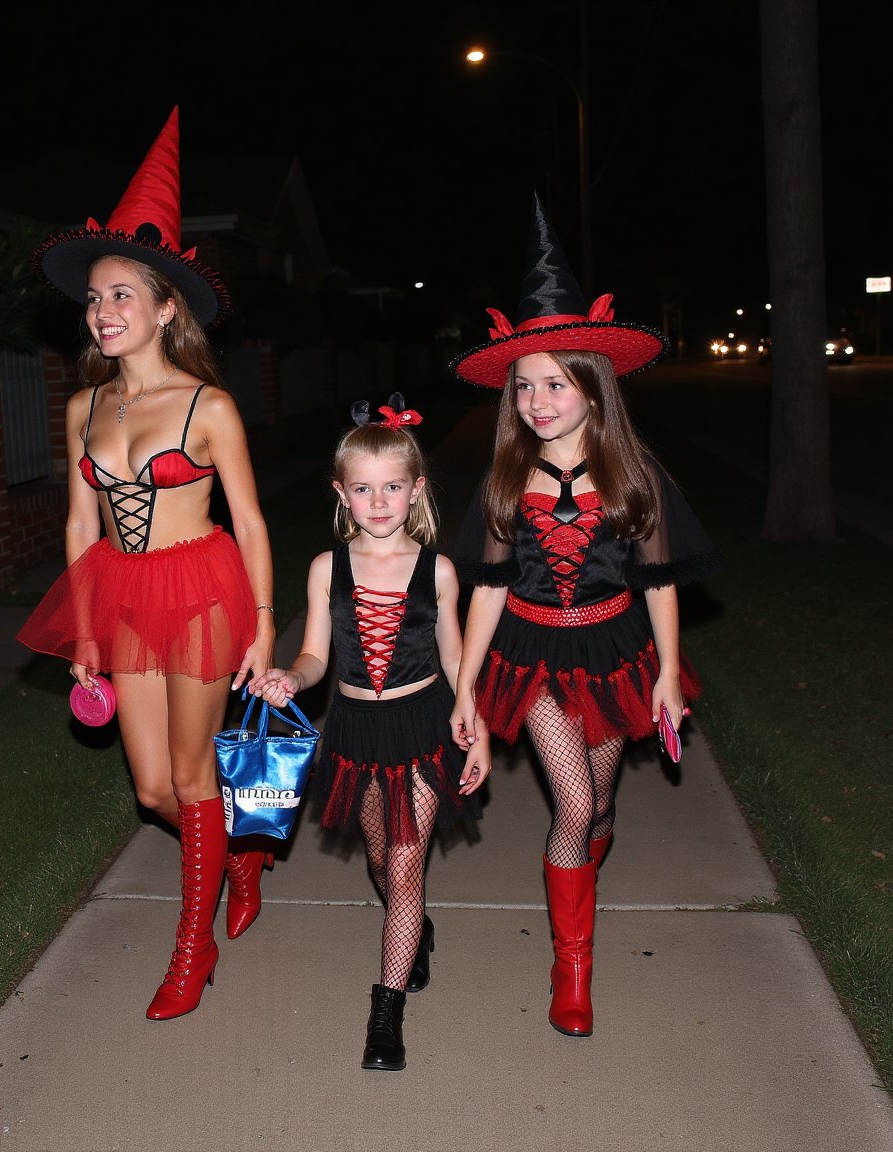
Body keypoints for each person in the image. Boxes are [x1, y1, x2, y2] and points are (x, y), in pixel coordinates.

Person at [17, 108, 277, 1021]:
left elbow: (249, 523)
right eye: (94, 299)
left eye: (122, 294)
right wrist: (84, 633)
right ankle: (242, 858)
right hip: (122, 599)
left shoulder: (209, 405)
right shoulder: (85, 406)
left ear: (168, 306)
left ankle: (190, 951)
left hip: (202, 588)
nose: (103, 312)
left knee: (194, 774)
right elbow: (81, 528)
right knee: (154, 789)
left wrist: (267, 628)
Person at [448, 195, 723, 1038]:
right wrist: (464, 689)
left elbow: (661, 583)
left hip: (613, 649)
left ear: (593, 387)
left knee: (597, 807)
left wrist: (669, 674)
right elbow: (487, 589)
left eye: (555, 383)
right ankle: (573, 972)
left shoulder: (635, 475)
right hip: (529, 654)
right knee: (569, 805)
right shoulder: (504, 482)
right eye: (524, 386)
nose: (537, 400)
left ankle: (593, 850)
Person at [248, 396, 486, 1071]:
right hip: (356, 728)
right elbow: (316, 654)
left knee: (407, 864)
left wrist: (481, 728)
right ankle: (415, 930)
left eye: (391, 487)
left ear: (415, 491)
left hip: (423, 723)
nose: (378, 501)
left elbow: (458, 659)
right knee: (384, 863)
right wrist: (291, 679)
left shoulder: (436, 572)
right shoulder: (329, 569)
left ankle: (385, 1015)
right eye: (363, 488)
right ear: (341, 494)